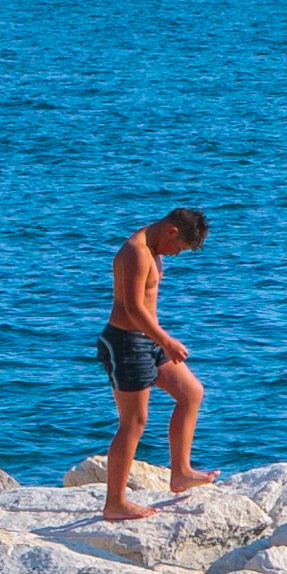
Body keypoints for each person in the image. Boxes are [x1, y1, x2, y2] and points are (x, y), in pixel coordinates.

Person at [97, 207, 213, 523]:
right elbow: (133, 306)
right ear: (171, 232)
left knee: (191, 393)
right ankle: (115, 503)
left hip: (147, 340)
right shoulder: (135, 251)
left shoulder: (153, 247)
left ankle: (181, 472)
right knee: (134, 421)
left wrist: (158, 341)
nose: (176, 254)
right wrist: (166, 341)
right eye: (179, 248)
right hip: (125, 342)